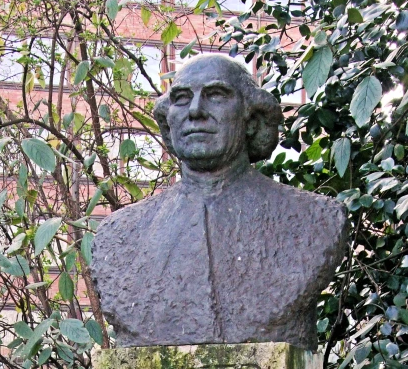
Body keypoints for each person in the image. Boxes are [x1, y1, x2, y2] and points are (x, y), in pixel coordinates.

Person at [92, 54, 347, 350]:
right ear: (168, 120)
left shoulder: (314, 220)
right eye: (182, 99)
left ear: (250, 119)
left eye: (215, 96)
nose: (196, 111)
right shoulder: (118, 236)